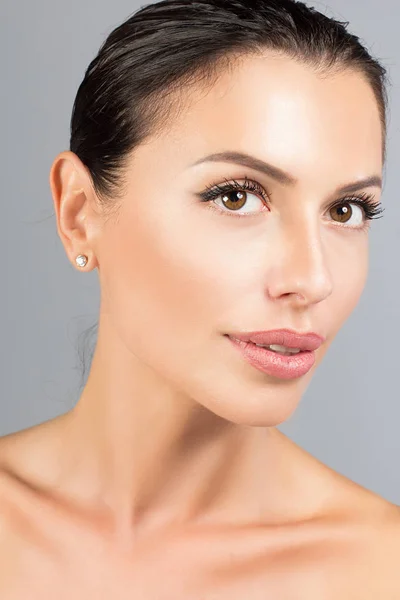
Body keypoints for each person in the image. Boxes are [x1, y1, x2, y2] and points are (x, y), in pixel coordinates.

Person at [0, 0, 399, 596]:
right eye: (237, 196)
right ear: (79, 214)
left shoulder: (380, 568)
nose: (313, 280)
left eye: (346, 211)